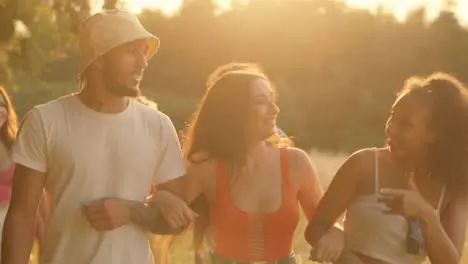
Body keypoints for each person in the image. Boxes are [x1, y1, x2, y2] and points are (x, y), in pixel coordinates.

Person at [1, 9, 195, 264]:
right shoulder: (44, 121)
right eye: (131, 52)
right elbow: (22, 216)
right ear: (100, 59)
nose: (143, 63)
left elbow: (176, 220)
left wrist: (131, 211)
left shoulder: (158, 126)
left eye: (143, 52)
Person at [111, 63, 344, 263]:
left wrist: (337, 234)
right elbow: (165, 218)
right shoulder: (205, 167)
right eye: (261, 102)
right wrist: (161, 197)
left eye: (273, 101)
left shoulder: (296, 163)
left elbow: (324, 225)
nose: (275, 110)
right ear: (233, 111)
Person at [305, 72, 468, 264]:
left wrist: (426, 215)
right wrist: (338, 241)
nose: (390, 129)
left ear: (434, 134)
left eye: (405, 124)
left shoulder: (453, 189)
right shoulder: (363, 164)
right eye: (392, 117)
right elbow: (315, 228)